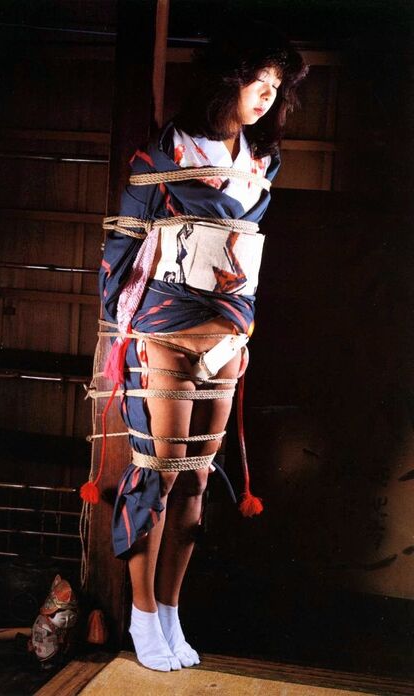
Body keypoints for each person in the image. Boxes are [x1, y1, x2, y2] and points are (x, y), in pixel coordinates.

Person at [96, 25, 308, 672]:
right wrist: (120, 327)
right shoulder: (164, 153)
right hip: (163, 332)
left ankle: (169, 610)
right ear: (228, 80)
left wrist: (241, 330)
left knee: (196, 481)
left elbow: (247, 251)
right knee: (157, 474)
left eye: (276, 88)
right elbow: (122, 241)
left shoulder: (262, 161)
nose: (267, 97)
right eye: (258, 83)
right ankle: (140, 614)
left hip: (228, 335)